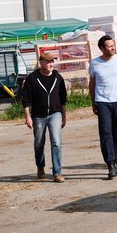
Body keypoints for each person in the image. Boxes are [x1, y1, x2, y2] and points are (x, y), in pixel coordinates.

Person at [88, 35, 117, 179]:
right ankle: (110, 163)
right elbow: (92, 84)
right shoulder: (95, 63)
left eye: (113, 45)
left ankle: (115, 160)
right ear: (102, 48)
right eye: (109, 46)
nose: (112, 48)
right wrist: (93, 102)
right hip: (102, 102)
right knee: (105, 132)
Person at [20, 51, 68, 182]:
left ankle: (57, 173)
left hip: (55, 113)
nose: (51, 64)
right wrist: (28, 117)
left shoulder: (58, 78)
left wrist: (64, 115)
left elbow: (63, 98)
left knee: (56, 142)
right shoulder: (32, 78)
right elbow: (26, 99)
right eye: (48, 61)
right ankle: (40, 167)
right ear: (41, 63)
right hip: (38, 115)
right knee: (39, 143)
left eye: (52, 61)